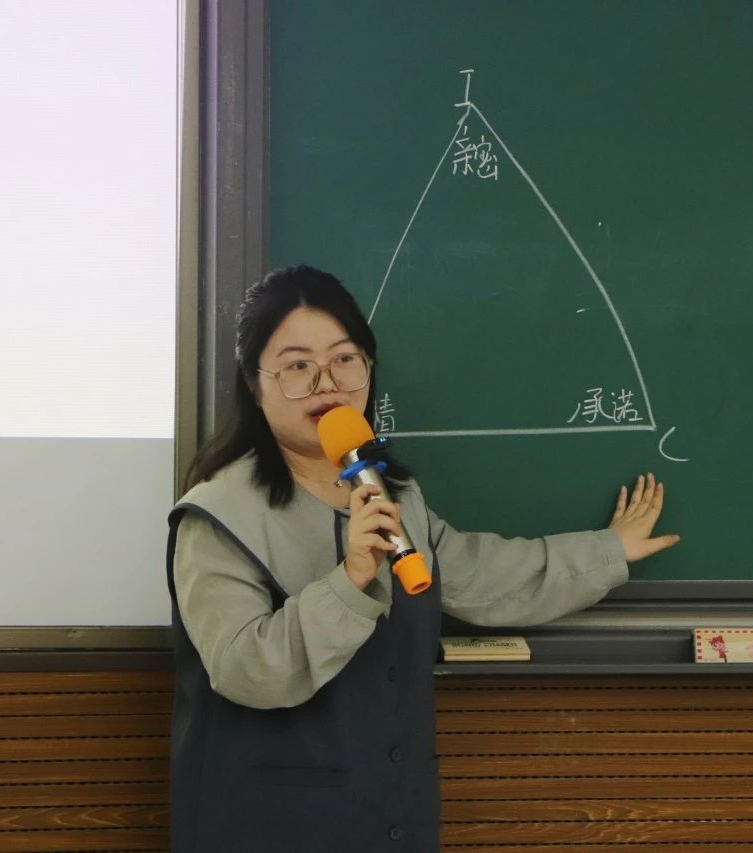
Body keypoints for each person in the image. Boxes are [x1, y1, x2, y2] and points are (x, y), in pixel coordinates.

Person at [165, 264, 679, 852]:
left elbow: (481, 576)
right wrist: (351, 579)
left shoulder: (393, 496)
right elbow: (246, 669)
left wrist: (609, 551)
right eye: (297, 366)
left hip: (389, 814)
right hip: (268, 823)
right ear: (253, 384)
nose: (327, 383)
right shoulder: (218, 516)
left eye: (345, 359)